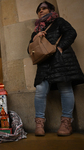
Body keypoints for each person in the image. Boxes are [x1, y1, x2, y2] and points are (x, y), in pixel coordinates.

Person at [28, 1, 84, 136]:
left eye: (44, 8)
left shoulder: (59, 21)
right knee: (40, 90)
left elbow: (71, 33)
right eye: (39, 9)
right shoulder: (36, 30)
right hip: (44, 64)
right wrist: (36, 38)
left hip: (60, 61)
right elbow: (30, 49)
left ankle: (66, 123)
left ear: (50, 10)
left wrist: (60, 47)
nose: (41, 11)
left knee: (65, 88)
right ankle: (39, 123)